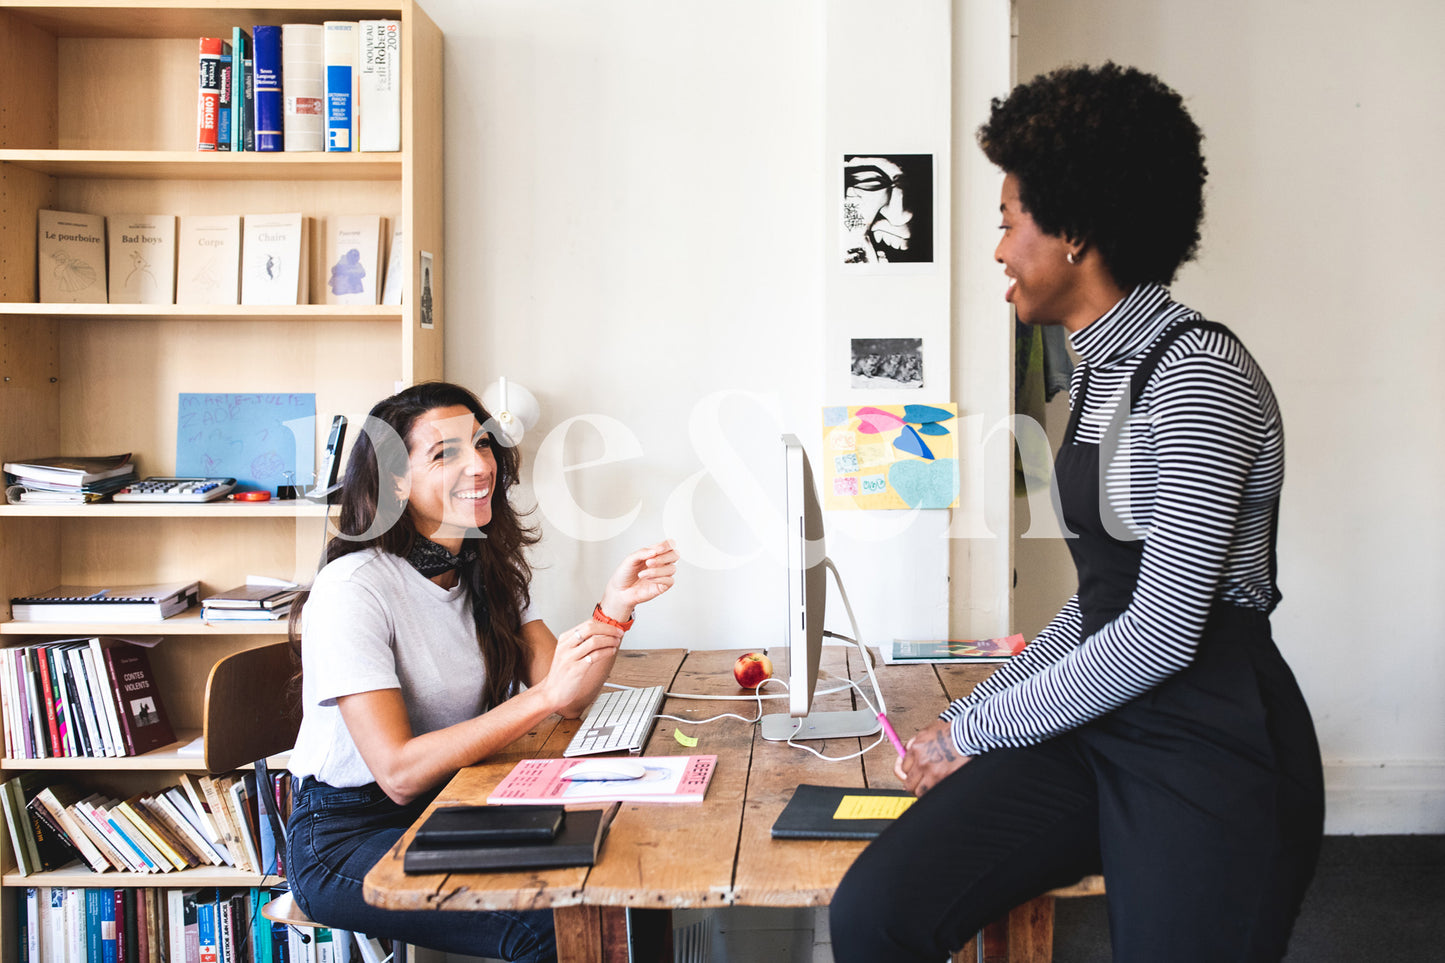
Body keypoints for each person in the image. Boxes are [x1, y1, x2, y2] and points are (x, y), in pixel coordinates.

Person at [830, 63, 1324, 962]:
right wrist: (980, 713)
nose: (997, 251)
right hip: (1108, 723)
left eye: (1007, 221)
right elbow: (1101, 601)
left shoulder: (1194, 374)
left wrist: (974, 729)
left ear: (1076, 232)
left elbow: (1165, 630)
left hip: (1210, 742)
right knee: (877, 912)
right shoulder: (1098, 372)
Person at [284, 381, 678, 963]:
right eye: (444, 454)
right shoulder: (353, 589)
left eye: (482, 444)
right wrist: (541, 699)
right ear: (396, 482)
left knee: (627, 883)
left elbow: (568, 697)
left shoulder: (482, 565)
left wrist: (613, 613)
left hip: (455, 800)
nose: (479, 465)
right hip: (346, 837)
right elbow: (395, 771)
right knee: (552, 923)